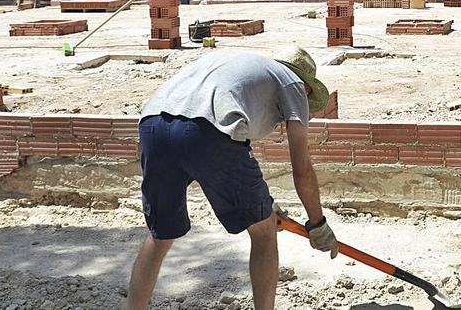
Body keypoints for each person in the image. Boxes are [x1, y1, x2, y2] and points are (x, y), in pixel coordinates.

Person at [125, 46, 340, 310]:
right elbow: (302, 169)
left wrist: (261, 203)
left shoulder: (243, 68)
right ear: (307, 88)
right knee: (264, 231)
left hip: (153, 125)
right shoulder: (293, 84)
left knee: (159, 235)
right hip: (209, 131)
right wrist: (317, 222)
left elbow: (205, 151)